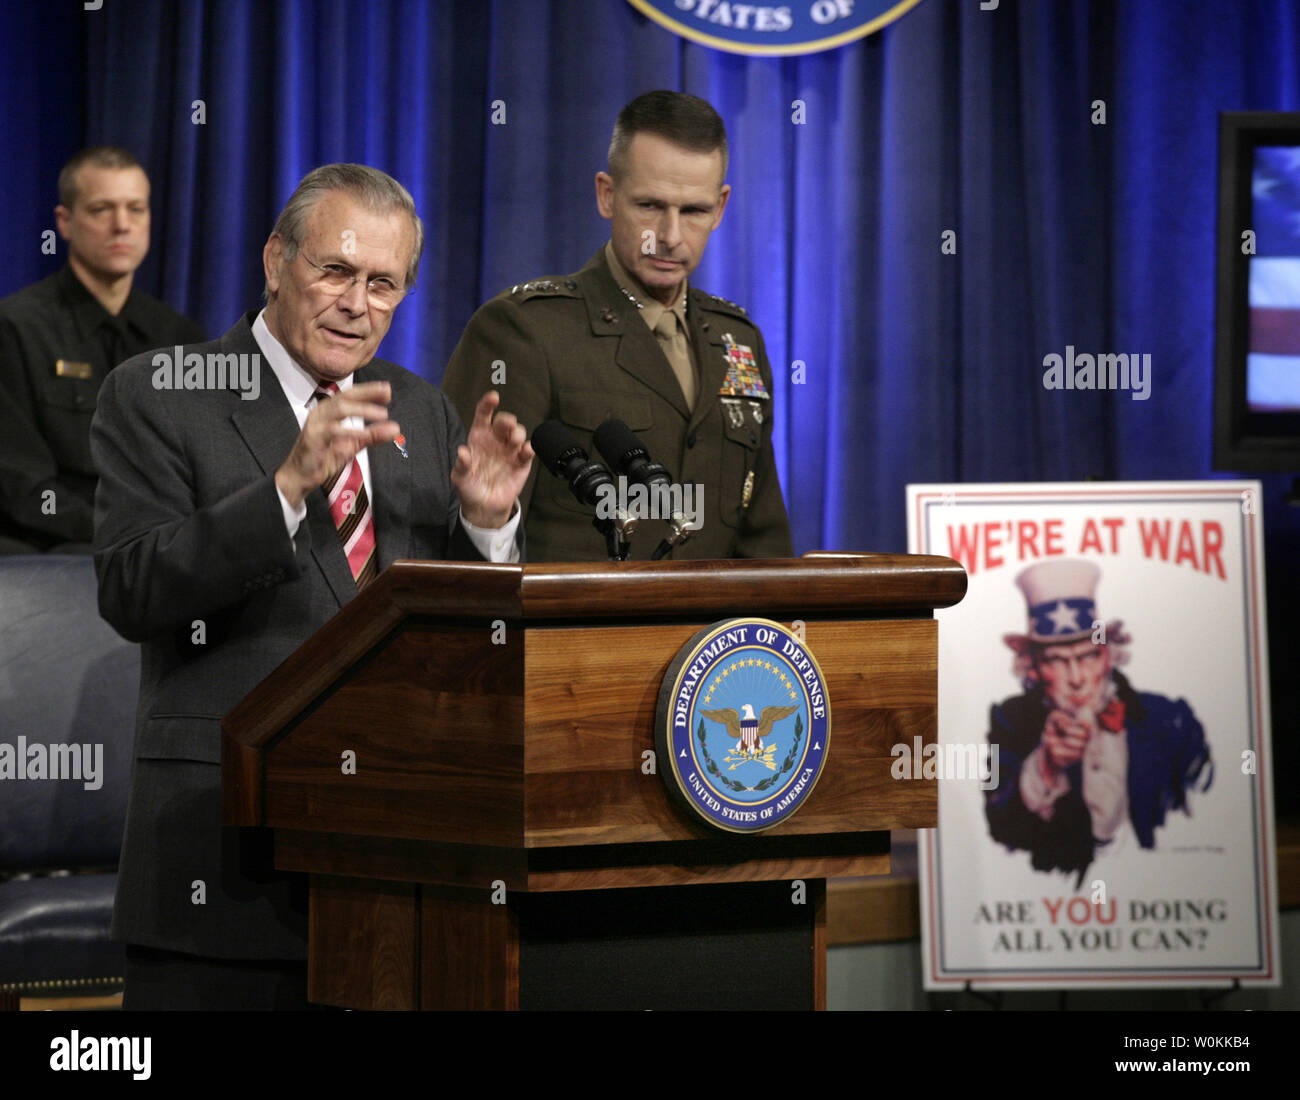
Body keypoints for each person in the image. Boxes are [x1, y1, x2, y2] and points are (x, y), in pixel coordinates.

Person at [92, 163, 533, 1009]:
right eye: (335, 270)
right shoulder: (159, 394)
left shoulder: (421, 409)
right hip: (221, 866)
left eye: (383, 283)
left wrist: (486, 528)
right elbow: (131, 589)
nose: (357, 302)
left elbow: (460, 643)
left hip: (395, 877)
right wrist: (287, 490)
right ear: (274, 261)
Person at [441, 90, 793, 562]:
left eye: (693, 211)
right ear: (607, 195)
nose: (669, 236)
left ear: (721, 207)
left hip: (718, 636)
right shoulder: (525, 330)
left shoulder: (739, 341)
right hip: (571, 634)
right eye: (649, 206)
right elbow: (468, 536)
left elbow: (764, 544)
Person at [0, 146, 206, 554]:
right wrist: (125, 534)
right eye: (101, 210)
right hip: (54, 549)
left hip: (160, 550)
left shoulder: (179, 336)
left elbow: (202, 469)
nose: (122, 225)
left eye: (136, 209)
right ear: (65, 222)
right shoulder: (16, 328)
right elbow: (22, 488)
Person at [984, 560, 1213, 887]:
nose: (1076, 679)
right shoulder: (1011, 721)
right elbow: (999, 829)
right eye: (1057, 661)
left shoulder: (1170, 719)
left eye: (1088, 656)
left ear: (1109, 654)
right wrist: (1045, 766)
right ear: (1032, 667)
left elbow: (1212, 818)